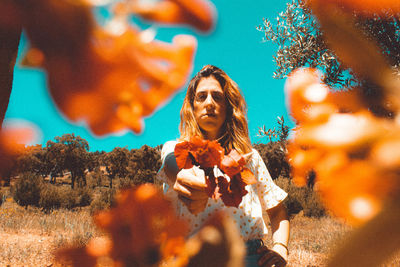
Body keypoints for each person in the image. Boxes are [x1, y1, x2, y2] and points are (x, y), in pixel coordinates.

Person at [157, 65, 289, 267]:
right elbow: (171, 163)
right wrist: (184, 176)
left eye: (217, 97)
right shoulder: (176, 148)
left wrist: (280, 247)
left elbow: (278, 212)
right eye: (201, 97)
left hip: (251, 259)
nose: (209, 103)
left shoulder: (249, 158)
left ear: (228, 107)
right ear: (192, 107)